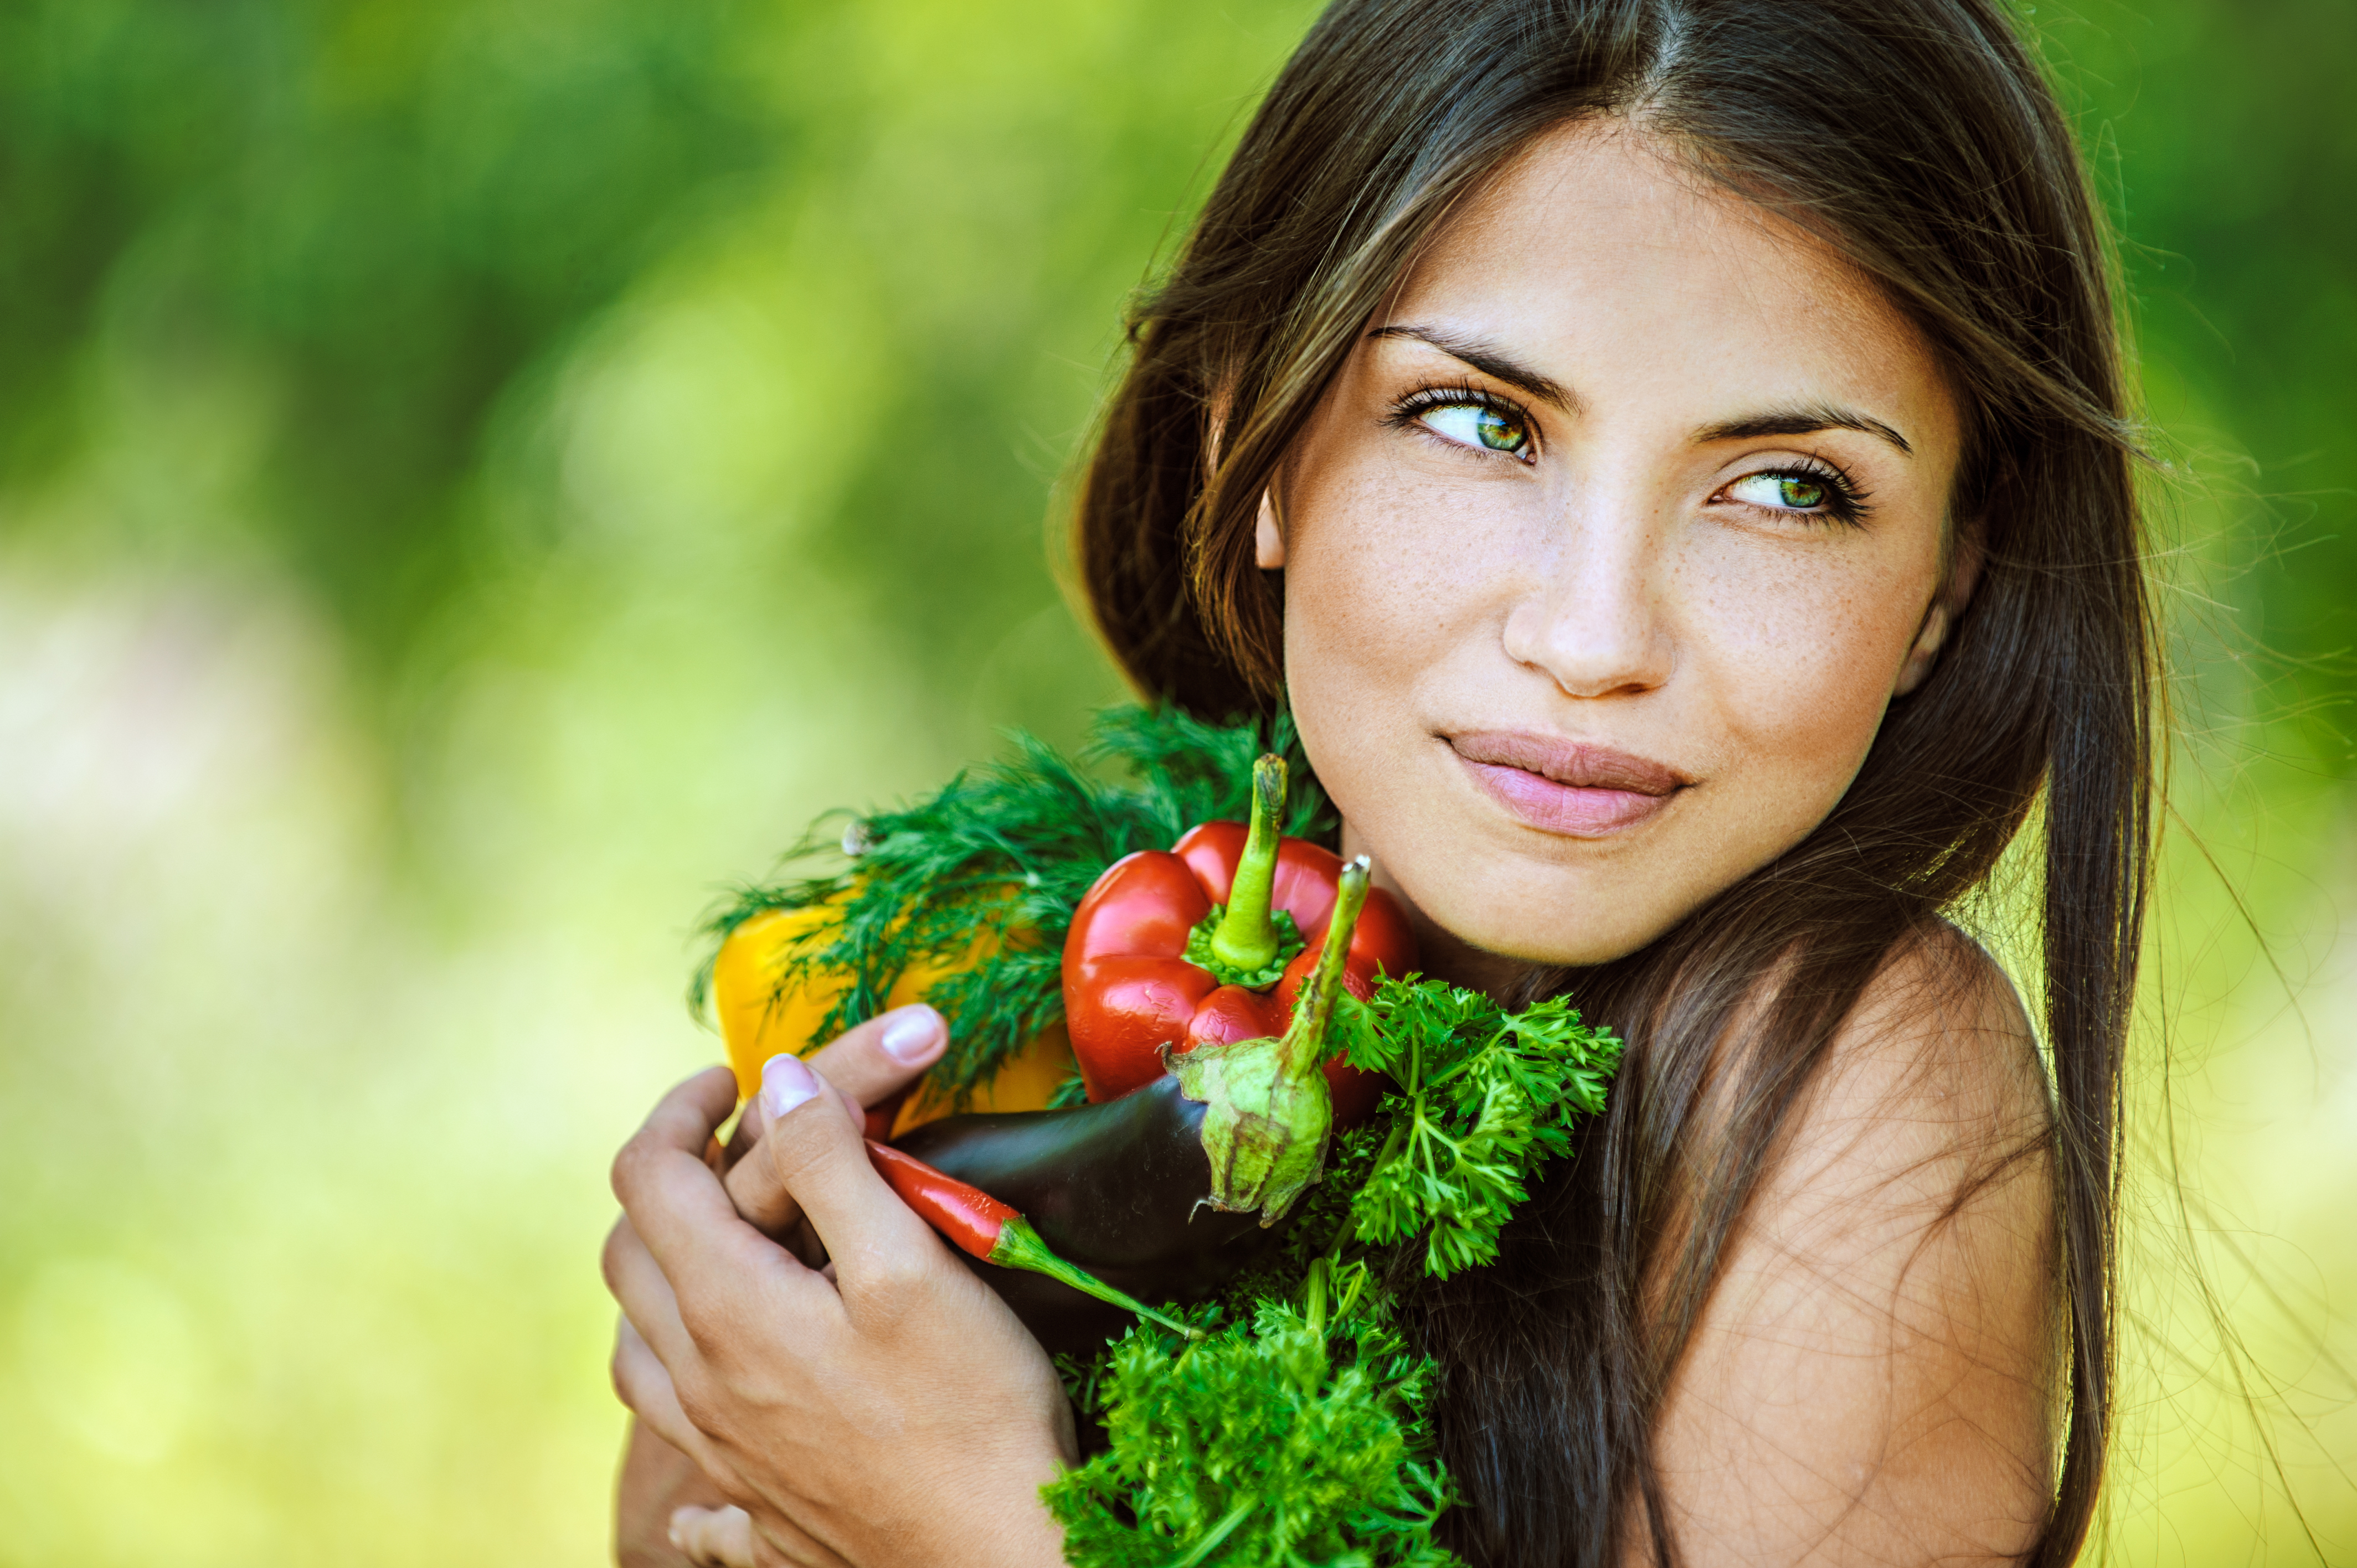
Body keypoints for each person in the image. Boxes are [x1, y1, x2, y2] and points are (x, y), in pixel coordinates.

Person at [601, 0, 2153, 1561]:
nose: (1594, 636)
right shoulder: (1087, 964)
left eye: (1786, 488)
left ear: (1948, 581)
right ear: (1252, 453)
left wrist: (982, 1528)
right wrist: (741, 1370)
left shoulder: (1857, 1068)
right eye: (1481, 423)